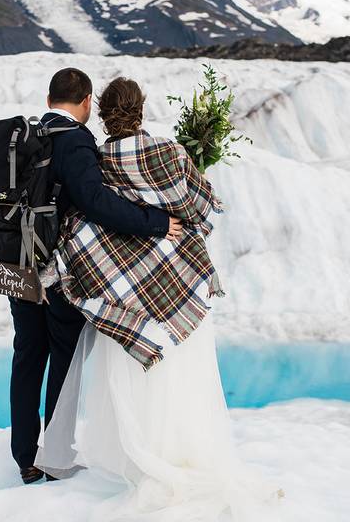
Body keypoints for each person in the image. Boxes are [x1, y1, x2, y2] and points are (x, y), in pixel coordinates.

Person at [36, 77, 281, 519]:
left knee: (135, 376)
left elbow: (89, 210)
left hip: (125, 289)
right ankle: (185, 452)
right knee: (182, 373)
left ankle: (139, 455)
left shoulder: (99, 158)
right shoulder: (169, 152)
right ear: (140, 110)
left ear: (103, 112)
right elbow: (201, 207)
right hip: (176, 278)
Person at [8, 68, 184, 485]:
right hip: (57, 273)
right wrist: (154, 222)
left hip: (14, 264)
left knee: (28, 357)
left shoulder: (26, 136)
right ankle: (55, 458)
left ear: (50, 98)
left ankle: (25, 457)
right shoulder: (75, 141)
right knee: (63, 362)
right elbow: (95, 201)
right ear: (87, 101)